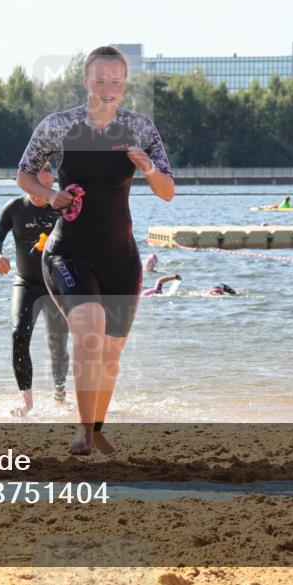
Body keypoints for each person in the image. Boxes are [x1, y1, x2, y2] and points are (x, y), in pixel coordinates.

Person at [16, 45, 175, 455]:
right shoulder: (60, 126)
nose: (108, 88)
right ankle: (83, 433)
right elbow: (24, 175)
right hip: (69, 252)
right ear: (86, 81)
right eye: (100, 80)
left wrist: (149, 169)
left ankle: (97, 426)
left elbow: (168, 192)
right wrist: (50, 196)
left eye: (116, 81)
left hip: (121, 257)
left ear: (124, 84)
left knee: (110, 353)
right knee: (89, 334)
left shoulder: (140, 128)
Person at [0, 165, 70, 417]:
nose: (41, 194)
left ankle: (59, 391)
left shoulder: (63, 207)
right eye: (37, 188)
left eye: (47, 188)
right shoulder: (15, 208)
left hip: (55, 284)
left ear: (53, 184)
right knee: (19, 334)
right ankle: (27, 401)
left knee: (57, 342)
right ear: (27, 184)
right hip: (25, 282)